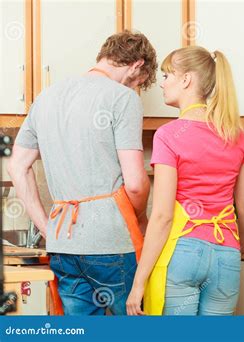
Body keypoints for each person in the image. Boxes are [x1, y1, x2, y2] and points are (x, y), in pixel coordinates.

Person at [8, 30, 157, 315]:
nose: (134, 88)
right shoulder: (122, 98)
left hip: (63, 243)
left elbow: (17, 166)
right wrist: (138, 220)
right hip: (111, 241)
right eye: (137, 82)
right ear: (137, 64)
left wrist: (45, 226)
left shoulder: (45, 97)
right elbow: (136, 184)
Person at [126, 46, 244, 316]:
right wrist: (241, 246)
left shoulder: (168, 135)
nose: (162, 84)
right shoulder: (236, 135)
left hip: (183, 251)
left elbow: (162, 216)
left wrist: (138, 283)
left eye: (166, 75)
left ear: (186, 80)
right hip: (227, 254)